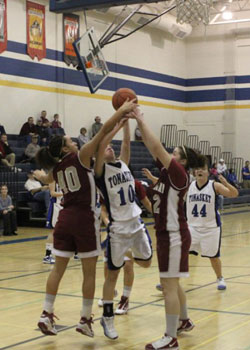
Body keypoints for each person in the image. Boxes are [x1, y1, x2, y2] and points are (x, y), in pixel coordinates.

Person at [32, 100, 137, 337]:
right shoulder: (80, 156)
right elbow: (101, 134)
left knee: (57, 270)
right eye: (70, 140)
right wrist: (120, 113)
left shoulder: (58, 168)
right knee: (89, 273)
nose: (74, 141)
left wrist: (40, 176)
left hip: (64, 219)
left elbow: (48, 179)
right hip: (83, 219)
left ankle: (46, 314)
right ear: (66, 149)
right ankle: (85, 319)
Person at [130, 107, 203, 350]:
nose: (170, 154)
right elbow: (155, 204)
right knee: (174, 282)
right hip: (166, 233)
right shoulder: (165, 175)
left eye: (175, 153)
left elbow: (155, 146)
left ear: (181, 161)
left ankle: (170, 338)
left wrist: (140, 120)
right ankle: (184, 321)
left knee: (168, 285)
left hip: (173, 235)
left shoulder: (178, 173)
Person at [95, 119, 152, 340]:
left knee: (146, 263)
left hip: (136, 224)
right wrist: (114, 127)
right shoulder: (100, 170)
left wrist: (127, 123)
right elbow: (101, 146)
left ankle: (126, 254)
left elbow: (126, 144)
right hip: (118, 228)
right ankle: (107, 318)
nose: (110, 148)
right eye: (108, 147)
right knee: (112, 274)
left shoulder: (123, 164)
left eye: (112, 146)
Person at [98, 179, 152, 315]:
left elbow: (146, 203)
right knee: (107, 265)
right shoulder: (106, 184)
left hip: (133, 227)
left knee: (128, 265)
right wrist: (107, 222)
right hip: (116, 228)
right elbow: (103, 210)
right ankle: (111, 292)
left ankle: (125, 298)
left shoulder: (135, 184)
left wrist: (161, 218)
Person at [186, 160, 238, 292]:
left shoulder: (214, 186)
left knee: (213, 257)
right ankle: (169, 281)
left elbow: (234, 194)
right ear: (194, 172)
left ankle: (220, 278)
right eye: (197, 169)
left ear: (208, 172)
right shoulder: (188, 186)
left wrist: (226, 183)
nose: (199, 171)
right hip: (192, 227)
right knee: (180, 253)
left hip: (210, 228)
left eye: (202, 169)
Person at [43, 181, 63, 264]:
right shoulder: (53, 178)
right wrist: (65, 193)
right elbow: (52, 193)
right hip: (56, 206)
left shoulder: (65, 176)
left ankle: (75, 252)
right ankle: (47, 255)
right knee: (53, 231)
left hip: (64, 206)